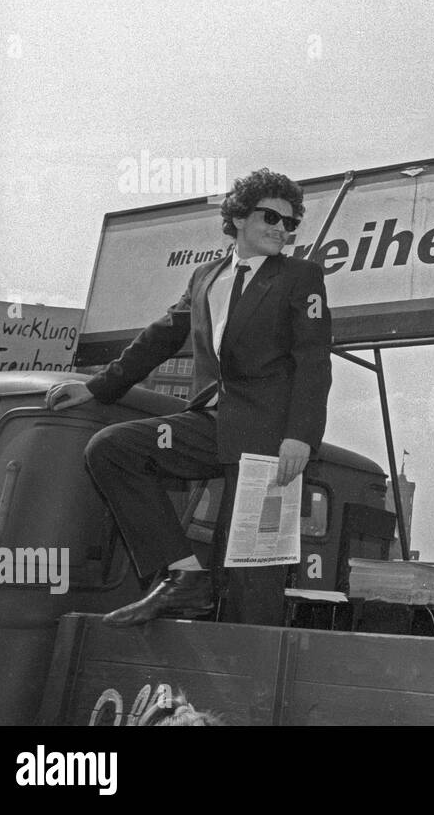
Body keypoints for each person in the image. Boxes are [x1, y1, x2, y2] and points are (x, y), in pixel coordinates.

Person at [46, 168, 332, 626]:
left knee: (248, 571)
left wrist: (300, 436)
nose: (282, 228)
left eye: (290, 222)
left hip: (267, 441)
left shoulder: (301, 277)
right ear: (239, 217)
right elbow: (160, 338)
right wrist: (97, 387)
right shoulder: (205, 277)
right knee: (112, 449)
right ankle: (182, 575)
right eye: (271, 217)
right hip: (210, 424)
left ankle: (249, 683)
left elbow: (314, 361)